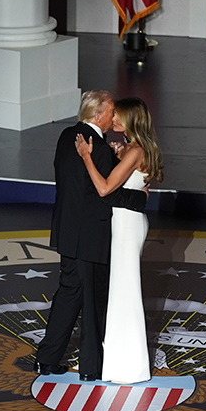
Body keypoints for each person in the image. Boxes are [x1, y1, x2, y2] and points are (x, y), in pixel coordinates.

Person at [35, 90, 149, 382]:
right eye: (111, 112)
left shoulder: (65, 136)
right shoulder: (96, 147)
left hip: (66, 229)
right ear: (99, 115)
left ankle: (45, 360)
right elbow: (105, 193)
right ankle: (91, 368)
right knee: (92, 300)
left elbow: (73, 183)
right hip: (92, 234)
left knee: (68, 294)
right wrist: (141, 198)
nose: (114, 117)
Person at [74, 96, 163, 385]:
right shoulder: (137, 149)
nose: (112, 120)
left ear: (130, 119)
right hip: (129, 223)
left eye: (117, 116)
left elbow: (104, 189)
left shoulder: (134, 151)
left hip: (125, 226)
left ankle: (126, 366)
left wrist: (87, 156)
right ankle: (120, 362)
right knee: (121, 292)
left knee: (124, 293)